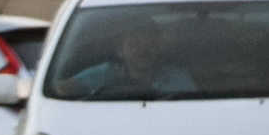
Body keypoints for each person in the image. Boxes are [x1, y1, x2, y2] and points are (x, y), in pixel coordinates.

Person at [61, 21, 199, 99]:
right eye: (135, 44)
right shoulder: (105, 73)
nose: (143, 50)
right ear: (120, 51)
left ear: (159, 48)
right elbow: (59, 90)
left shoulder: (178, 77)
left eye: (150, 43)